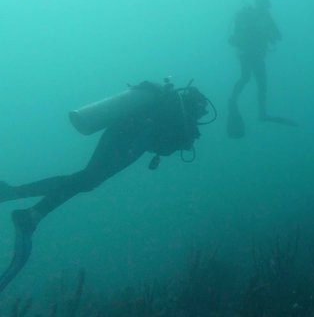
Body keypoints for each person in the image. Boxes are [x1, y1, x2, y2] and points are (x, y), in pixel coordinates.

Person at [0, 79, 214, 293]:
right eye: (200, 112)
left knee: (87, 178)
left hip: (123, 129)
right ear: (195, 106)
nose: (200, 116)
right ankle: (31, 214)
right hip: (136, 136)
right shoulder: (177, 114)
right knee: (89, 179)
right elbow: (166, 146)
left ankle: (18, 198)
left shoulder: (164, 106)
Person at [227, 0, 295, 138]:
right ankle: (236, 101)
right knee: (248, 78)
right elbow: (237, 35)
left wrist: (268, 32)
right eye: (264, 5)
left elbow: (277, 36)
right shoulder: (249, 15)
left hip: (254, 54)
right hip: (247, 53)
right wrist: (264, 32)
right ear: (260, 4)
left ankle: (259, 111)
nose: (265, 8)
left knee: (258, 82)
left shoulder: (265, 17)